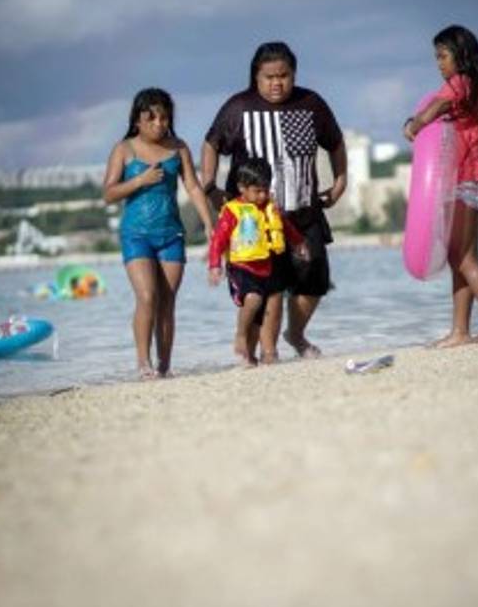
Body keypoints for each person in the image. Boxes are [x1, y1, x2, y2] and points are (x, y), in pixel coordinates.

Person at [201, 41, 347, 360]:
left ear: (293, 74)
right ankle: (261, 354)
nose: (277, 82)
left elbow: (335, 142)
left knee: (314, 279)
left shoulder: (311, 103)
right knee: (265, 291)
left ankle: (294, 334)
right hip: (253, 221)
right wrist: (209, 185)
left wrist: (340, 181)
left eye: (284, 75)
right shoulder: (238, 108)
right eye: (269, 76)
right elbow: (211, 144)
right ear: (256, 76)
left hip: (303, 210)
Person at [403, 24, 478, 346]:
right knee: (459, 257)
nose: (439, 63)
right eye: (436, 57)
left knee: (465, 259)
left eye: (443, 56)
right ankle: (460, 331)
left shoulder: (461, 83)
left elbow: (437, 106)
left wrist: (416, 124)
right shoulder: (475, 85)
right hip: (468, 179)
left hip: (466, 180)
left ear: (461, 56)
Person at [103, 88, 213, 378]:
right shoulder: (124, 149)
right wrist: (140, 180)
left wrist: (210, 225)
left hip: (171, 235)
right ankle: (143, 363)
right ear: (137, 120)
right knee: (148, 297)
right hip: (136, 235)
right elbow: (109, 194)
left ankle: (164, 367)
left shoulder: (179, 148)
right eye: (150, 118)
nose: (158, 124)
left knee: (167, 302)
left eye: (163, 118)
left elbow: (192, 187)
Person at [208, 158, 309, 366]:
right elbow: (218, 239)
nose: (262, 196)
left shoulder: (270, 208)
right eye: (257, 191)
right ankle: (240, 335)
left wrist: (299, 243)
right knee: (252, 300)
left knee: (261, 314)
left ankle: (250, 356)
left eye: (265, 190)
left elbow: (287, 228)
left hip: (266, 267)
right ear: (242, 188)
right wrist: (214, 265)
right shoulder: (232, 211)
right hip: (241, 268)